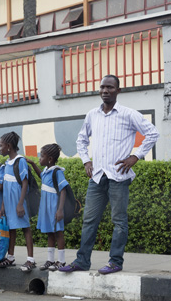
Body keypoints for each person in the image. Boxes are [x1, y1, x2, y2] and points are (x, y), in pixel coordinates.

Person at [60, 75, 159, 274]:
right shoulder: (92, 115)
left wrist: (136, 156)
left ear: (118, 91)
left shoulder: (128, 114)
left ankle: (115, 262)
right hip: (97, 177)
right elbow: (81, 140)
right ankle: (82, 261)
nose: (105, 91)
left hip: (119, 176)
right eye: (103, 87)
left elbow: (153, 133)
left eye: (110, 87)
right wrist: (86, 160)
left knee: (119, 221)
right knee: (89, 220)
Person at [0, 131, 36, 272]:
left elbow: (25, 183)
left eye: (1, 146)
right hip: (8, 202)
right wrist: (3, 205)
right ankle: (11, 257)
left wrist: (20, 204)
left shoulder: (20, 161)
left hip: (19, 201)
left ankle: (30, 259)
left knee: (25, 228)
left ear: (8, 146)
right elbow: (6, 186)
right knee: (11, 228)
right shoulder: (6, 163)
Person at [27, 143, 68, 271]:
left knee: (58, 233)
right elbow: (41, 176)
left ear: (49, 159)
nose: (40, 158)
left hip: (54, 208)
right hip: (46, 207)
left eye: (42, 156)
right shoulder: (46, 171)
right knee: (50, 233)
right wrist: (33, 164)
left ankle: (61, 261)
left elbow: (63, 191)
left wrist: (60, 210)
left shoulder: (57, 172)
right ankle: (50, 260)